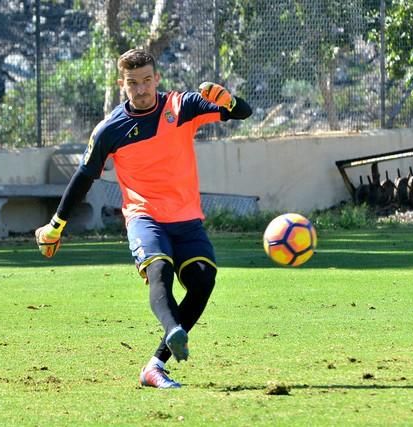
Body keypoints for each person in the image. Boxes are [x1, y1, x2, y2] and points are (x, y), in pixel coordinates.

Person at [35, 48, 252, 389]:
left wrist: (229, 99)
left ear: (157, 79)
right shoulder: (110, 129)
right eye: (133, 83)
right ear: (122, 84)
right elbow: (83, 176)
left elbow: (242, 113)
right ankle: (174, 330)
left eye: (147, 81)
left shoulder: (182, 107)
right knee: (159, 271)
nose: (141, 89)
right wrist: (56, 224)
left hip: (186, 218)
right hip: (144, 216)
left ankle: (154, 366)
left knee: (203, 281)